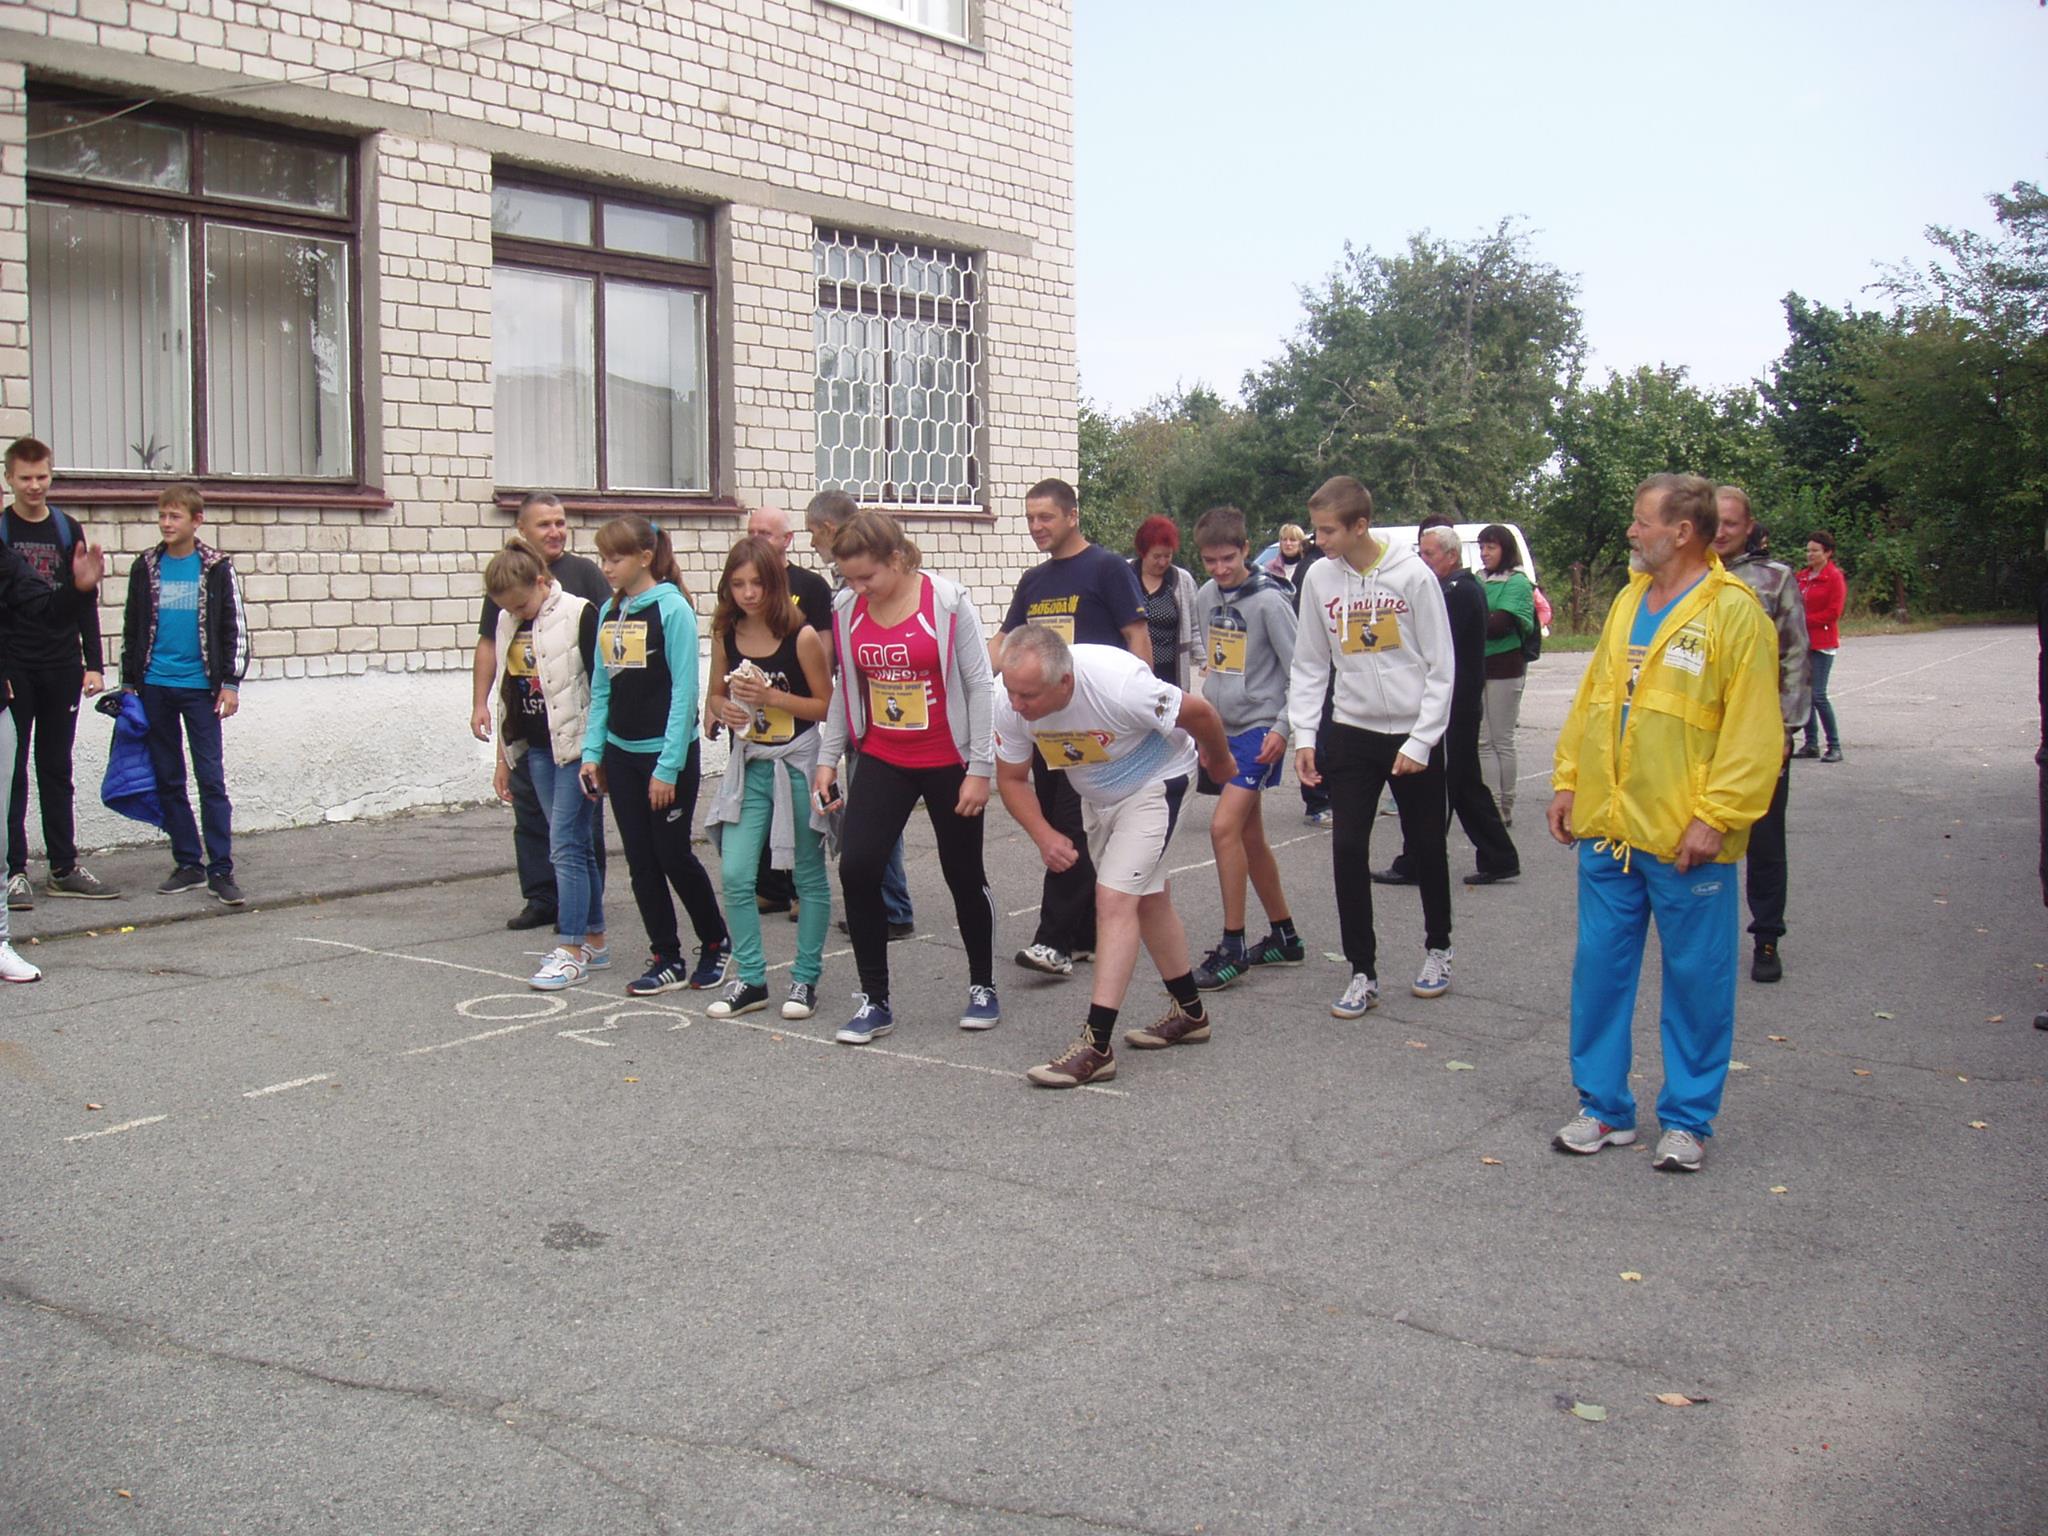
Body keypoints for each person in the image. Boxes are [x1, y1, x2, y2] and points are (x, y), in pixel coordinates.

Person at [1548, 473, 1782, 1174]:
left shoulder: (1735, 613)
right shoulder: (1628, 601)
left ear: (1682, 532)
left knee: (1697, 983)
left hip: (1686, 839)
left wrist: (1717, 817)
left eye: (1641, 520)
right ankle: (1604, 1108)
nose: (1631, 530)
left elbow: (1753, 732)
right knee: (1599, 973)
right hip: (1609, 830)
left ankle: (1687, 1119)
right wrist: (1568, 781)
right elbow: (1593, 700)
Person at [996, 625, 1237, 1088]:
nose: (1016, 705)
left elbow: (1200, 712)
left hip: (1158, 782)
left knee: (1114, 900)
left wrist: (1220, 759)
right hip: (1099, 797)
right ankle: (1191, 1014)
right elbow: (1011, 779)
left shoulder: (1118, 683)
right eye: (1011, 691)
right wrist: (1043, 835)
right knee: (1148, 900)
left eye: (1027, 695)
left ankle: (1096, 1047)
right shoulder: (1008, 697)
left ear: (1064, 682)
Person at [812, 512, 1000, 1042]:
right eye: (848, 577)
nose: (858, 588)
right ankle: (875, 1000)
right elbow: (845, 689)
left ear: (896, 558)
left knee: (963, 874)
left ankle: (983, 986)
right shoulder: (847, 609)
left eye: (867, 576)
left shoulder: (948, 602)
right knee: (858, 869)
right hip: (884, 756)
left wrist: (980, 768)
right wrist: (828, 757)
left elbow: (979, 685)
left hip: (947, 759)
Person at [1289, 476, 1456, 1017]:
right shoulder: (1319, 578)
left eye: (1328, 531)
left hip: (1412, 732)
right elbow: (1310, 662)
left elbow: (1442, 665)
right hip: (1352, 731)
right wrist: (1305, 734)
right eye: (1315, 530)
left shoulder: (1413, 575)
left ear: (1360, 525)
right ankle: (1362, 970)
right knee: (1347, 849)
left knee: (1426, 846)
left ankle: (1439, 947)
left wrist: (1423, 740)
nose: (1319, 541)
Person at [991, 477, 1150, 978]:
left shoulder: (1106, 568)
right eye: (1030, 518)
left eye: (1046, 517)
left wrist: (1141, 709)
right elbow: (1005, 642)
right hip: (1044, 724)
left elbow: (1136, 636)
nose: (1036, 526)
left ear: (1072, 516)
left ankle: (1053, 941)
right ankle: (1086, 936)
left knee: (1067, 824)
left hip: (1095, 723)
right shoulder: (1033, 582)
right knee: (1068, 821)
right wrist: (971, 670)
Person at [578, 515, 731, 996]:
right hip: (621, 755)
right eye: (603, 558)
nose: (607, 567)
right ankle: (666, 956)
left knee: (672, 855)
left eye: (615, 558)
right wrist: (592, 753)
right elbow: (602, 689)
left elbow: (684, 693)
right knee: (641, 861)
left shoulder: (672, 609)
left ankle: (715, 942)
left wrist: (667, 768)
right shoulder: (610, 612)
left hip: (666, 756)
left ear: (645, 557)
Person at [703, 535, 834, 1022]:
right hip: (751, 764)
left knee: (807, 874)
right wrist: (724, 710)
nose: (748, 593)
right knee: (736, 874)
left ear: (775, 583)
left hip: (797, 764)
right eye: (738, 584)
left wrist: (772, 698)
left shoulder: (800, 635)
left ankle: (805, 978)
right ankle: (752, 978)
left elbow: (826, 705)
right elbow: (714, 697)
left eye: (757, 583)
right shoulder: (726, 631)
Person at [471, 493, 612, 931]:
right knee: (543, 827)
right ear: (522, 531)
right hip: (533, 740)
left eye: (559, 523)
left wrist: (598, 748)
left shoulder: (581, 588)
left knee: (572, 839)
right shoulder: (507, 593)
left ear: (538, 584)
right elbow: (504, 675)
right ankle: (552, 904)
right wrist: (494, 737)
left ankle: (578, 927)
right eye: (544, 524)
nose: (555, 532)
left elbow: (601, 677)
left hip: (573, 740)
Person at [1184, 505, 1306, 989]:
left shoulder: (1271, 602)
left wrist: (1283, 727)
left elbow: (1302, 672)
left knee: (1222, 829)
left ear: (1246, 550)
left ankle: (1232, 946)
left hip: (1260, 727)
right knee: (1249, 838)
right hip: (1224, 728)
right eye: (1209, 560)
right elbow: (1216, 665)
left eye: (1227, 559)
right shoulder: (1205, 596)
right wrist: (1206, 731)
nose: (1219, 569)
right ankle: (1285, 936)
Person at [120, 485, 249, 906]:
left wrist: (230, 682)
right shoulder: (146, 566)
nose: (166, 523)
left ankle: (221, 869)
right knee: (168, 778)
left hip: (200, 691)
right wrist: (129, 684)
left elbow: (235, 627)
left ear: (197, 520)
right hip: (155, 687)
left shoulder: (216, 567)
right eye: (162, 516)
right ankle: (188, 862)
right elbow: (132, 627)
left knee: (210, 780)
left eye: (174, 516)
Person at [3, 437, 118, 908]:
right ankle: (13, 872)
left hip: (61, 663)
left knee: (55, 766)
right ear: (9, 479)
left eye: (42, 477)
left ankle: (63, 867)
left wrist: (93, 663)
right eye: (25, 478)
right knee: (11, 769)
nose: (34, 486)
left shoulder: (66, 528)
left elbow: (83, 596)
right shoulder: (3, 531)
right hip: (14, 664)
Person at [1376, 524, 1520, 887]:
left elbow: (1430, 640)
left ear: (1451, 556)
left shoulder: (1458, 591)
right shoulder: (1450, 588)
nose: (1423, 560)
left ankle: (1418, 860)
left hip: (1454, 700)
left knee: (1436, 785)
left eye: (1429, 554)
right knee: (1462, 784)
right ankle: (1497, 856)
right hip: (1455, 698)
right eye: (1420, 553)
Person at [804, 489, 915, 942]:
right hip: (861, 713)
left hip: (882, 719)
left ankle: (891, 908)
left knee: (874, 817)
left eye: (813, 534)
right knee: (870, 817)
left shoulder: (871, 584)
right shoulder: (847, 590)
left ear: (830, 529)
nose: (812, 543)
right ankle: (886, 904)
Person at [0, 519, 107, 980]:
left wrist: (80, 590)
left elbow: (44, 608)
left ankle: (2, 939)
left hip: (40, 676)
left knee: (41, 774)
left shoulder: (7, 560)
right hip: (17, 673)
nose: (34, 485)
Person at [1713, 486, 1810, 984]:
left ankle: (1767, 936)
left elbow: (1795, 654)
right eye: (1713, 521)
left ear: (1749, 527)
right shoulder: (1687, 576)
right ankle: (1704, 936)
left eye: (1731, 523)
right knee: (1701, 834)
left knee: (1765, 840)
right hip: (1704, 730)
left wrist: (1787, 727)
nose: (1720, 531)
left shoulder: (1775, 579)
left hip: (1761, 729)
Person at [744, 504, 832, 922]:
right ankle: (770, 887)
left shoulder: (809, 585)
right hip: (754, 718)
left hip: (795, 716)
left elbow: (823, 647)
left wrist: (803, 685)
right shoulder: (742, 586)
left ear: (786, 540)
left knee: (798, 811)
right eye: (751, 531)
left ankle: (801, 889)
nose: (757, 539)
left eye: (765, 532)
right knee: (758, 808)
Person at [1475, 524, 1537, 827]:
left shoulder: (1517, 581)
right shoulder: (1479, 578)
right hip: (1479, 665)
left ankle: (1505, 804)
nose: (1484, 553)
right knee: (1483, 740)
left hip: (1505, 666)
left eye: (1491, 547)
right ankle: (1491, 804)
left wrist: (1476, 619)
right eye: (1482, 547)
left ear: (1505, 549)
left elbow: (1500, 624)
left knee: (1501, 738)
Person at [1131, 515, 1200, 690]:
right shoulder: (1124, 575)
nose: (1162, 562)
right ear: (1143, 552)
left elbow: (1195, 626)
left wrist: (1205, 661)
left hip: (1170, 674)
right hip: (1131, 671)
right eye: (1156, 556)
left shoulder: (1182, 580)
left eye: (1167, 556)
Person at [1796, 530, 1846, 763]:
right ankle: (1811, 743)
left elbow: (1833, 612)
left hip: (1822, 642)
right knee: (1805, 695)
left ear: (1828, 553)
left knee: (1818, 694)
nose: (1810, 554)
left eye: (1815, 551)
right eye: (1808, 550)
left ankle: (1834, 745)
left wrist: (1803, 621)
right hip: (1802, 642)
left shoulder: (1834, 577)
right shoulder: (1802, 577)